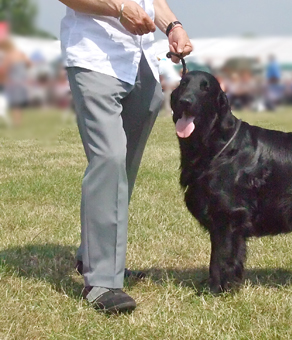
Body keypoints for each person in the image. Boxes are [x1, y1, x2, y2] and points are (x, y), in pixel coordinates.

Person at [59, 0, 192, 314]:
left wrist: (173, 26)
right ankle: (102, 280)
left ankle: (92, 255)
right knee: (109, 158)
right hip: (94, 57)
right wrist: (118, 9)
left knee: (125, 168)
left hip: (141, 62)